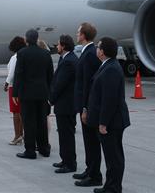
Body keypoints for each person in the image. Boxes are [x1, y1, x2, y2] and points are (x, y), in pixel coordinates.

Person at [88, 37, 130, 193]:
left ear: (103, 51)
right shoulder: (107, 65)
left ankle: (113, 187)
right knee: (112, 156)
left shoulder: (111, 68)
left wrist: (103, 122)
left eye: (98, 47)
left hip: (112, 121)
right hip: (112, 120)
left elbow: (109, 99)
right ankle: (110, 185)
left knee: (114, 157)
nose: (96, 49)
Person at [13, 29, 53, 159]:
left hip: (27, 94)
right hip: (42, 94)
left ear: (26, 39)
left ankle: (30, 150)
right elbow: (50, 76)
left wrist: (15, 93)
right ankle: (44, 149)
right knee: (42, 121)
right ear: (37, 39)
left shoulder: (22, 53)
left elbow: (18, 74)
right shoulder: (46, 54)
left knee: (29, 122)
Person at [73, 23, 103, 187]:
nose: (77, 34)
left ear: (84, 35)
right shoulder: (87, 52)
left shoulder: (91, 54)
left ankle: (95, 175)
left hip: (88, 107)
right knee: (87, 140)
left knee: (92, 141)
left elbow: (90, 85)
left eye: (78, 32)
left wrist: (86, 108)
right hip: (84, 105)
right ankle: (89, 170)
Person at [49, 35, 78, 173]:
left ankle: (70, 164)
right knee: (63, 134)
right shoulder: (65, 59)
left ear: (64, 46)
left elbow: (60, 84)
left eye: (59, 44)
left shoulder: (69, 61)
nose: (57, 46)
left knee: (67, 135)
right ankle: (65, 159)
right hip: (64, 104)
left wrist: (51, 99)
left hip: (66, 105)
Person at [4, 36, 26, 145]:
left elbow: (11, 73)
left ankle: (17, 135)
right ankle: (22, 134)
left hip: (13, 87)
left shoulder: (15, 57)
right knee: (21, 112)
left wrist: (6, 83)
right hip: (22, 87)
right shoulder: (23, 56)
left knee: (15, 113)